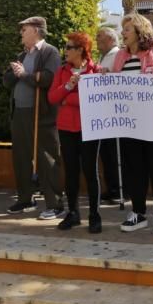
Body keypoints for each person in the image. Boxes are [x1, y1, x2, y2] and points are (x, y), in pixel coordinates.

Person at [112, 14, 153, 237]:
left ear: (140, 32)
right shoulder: (120, 57)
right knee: (134, 171)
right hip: (130, 126)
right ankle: (138, 213)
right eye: (124, 30)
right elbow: (114, 85)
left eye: (128, 29)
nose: (124, 33)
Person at [2, 16, 64, 218]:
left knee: (47, 158)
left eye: (24, 29)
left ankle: (55, 204)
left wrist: (24, 75)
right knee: (20, 158)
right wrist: (13, 73)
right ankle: (25, 199)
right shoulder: (22, 54)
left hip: (41, 115)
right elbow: (7, 81)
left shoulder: (50, 52)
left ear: (36, 30)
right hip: (19, 113)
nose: (21, 33)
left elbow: (49, 78)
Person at [49, 32, 101, 233]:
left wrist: (68, 99)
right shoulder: (62, 71)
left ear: (81, 50)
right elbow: (53, 97)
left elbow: (95, 101)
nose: (66, 51)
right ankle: (73, 213)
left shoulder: (96, 71)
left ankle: (94, 215)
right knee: (70, 172)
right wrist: (69, 86)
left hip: (89, 129)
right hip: (66, 129)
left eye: (69, 47)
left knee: (90, 172)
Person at [95, 27, 122, 203]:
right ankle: (111, 187)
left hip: (115, 113)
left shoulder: (118, 55)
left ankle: (119, 189)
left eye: (100, 38)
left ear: (111, 40)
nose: (97, 41)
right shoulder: (103, 57)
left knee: (115, 154)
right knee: (106, 153)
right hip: (103, 112)